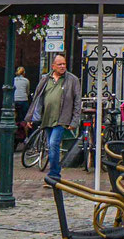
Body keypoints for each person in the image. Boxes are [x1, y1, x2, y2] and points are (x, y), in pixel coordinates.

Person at [28, 53, 83, 183]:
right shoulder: (45, 79)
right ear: (53, 66)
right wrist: (31, 117)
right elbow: (37, 98)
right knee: (50, 145)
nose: (63, 66)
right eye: (60, 64)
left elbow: (77, 101)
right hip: (47, 119)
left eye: (64, 64)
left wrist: (75, 120)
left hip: (61, 119)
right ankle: (54, 173)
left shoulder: (72, 80)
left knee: (53, 144)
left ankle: (54, 175)